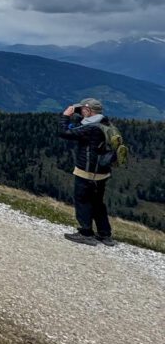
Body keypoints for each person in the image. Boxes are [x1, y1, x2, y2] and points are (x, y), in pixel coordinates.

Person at [59, 98, 116, 246]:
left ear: (88, 110)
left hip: (86, 172)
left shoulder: (91, 128)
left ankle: (85, 233)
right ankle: (105, 234)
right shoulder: (105, 124)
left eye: (82, 109)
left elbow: (64, 132)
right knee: (97, 203)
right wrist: (80, 117)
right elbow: (81, 130)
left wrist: (65, 116)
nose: (81, 111)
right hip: (102, 173)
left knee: (83, 200)